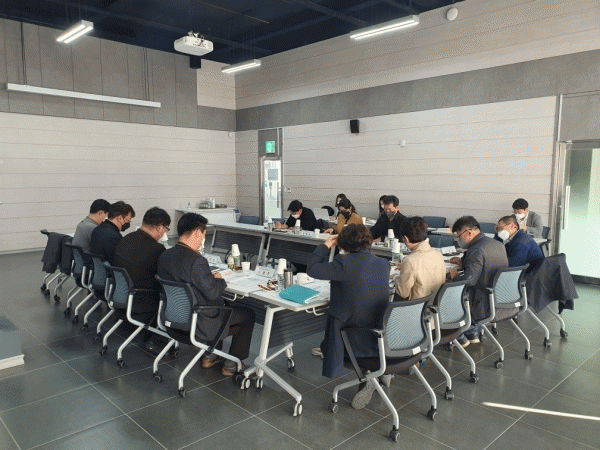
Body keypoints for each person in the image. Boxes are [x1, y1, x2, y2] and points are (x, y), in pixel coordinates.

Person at [157, 213, 255, 377]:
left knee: (222, 307)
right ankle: (232, 364)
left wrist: (208, 278)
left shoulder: (165, 255)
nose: (203, 238)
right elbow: (213, 293)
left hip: (173, 320)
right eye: (203, 234)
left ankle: (211, 356)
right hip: (198, 323)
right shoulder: (196, 260)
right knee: (247, 314)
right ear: (197, 232)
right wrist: (219, 279)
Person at [306, 224, 390, 409]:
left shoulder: (343, 263)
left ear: (343, 244)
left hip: (351, 335)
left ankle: (369, 377)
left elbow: (312, 269)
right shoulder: (384, 264)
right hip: (379, 335)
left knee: (325, 346)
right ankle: (378, 372)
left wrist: (325, 246)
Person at [114, 207, 171, 354]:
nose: (164, 232)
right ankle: (159, 340)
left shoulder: (126, 239)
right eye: (166, 229)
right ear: (159, 227)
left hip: (120, 297)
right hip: (141, 301)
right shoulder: (157, 249)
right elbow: (165, 278)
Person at [448, 216, 508, 347]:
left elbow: (469, 281)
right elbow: (485, 266)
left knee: (446, 295)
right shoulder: (497, 244)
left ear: (469, 232)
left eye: (459, 236)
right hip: (498, 297)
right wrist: (464, 262)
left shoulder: (476, 249)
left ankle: (459, 336)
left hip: (482, 302)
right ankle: (472, 332)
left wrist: (455, 276)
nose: (458, 240)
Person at [393, 217, 446, 301]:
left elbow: (402, 293)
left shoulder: (409, 260)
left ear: (406, 239)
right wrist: (405, 267)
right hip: (435, 304)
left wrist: (395, 277)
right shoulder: (438, 254)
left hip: (415, 307)